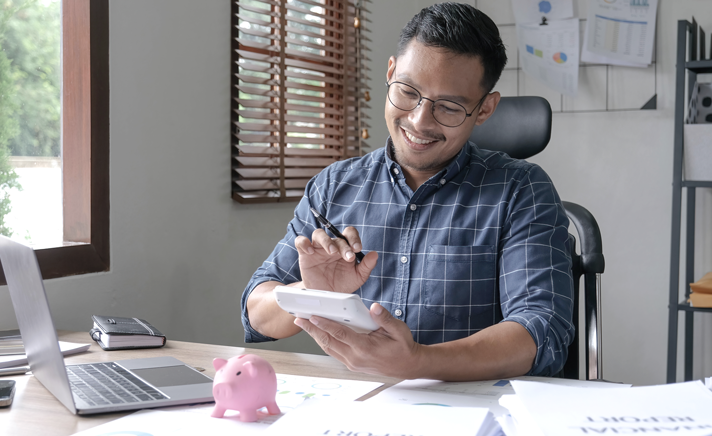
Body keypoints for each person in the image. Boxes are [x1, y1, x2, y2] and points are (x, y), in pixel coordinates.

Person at [241, 2, 574, 381]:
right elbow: (257, 312)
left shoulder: (521, 190)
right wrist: (311, 291)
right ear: (390, 72)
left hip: (471, 411)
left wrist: (419, 361)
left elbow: (542, 331)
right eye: (408, 91)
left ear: (484, 110)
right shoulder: (335, 186)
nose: (419, 120)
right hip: (358, 410)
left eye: (449, 107)